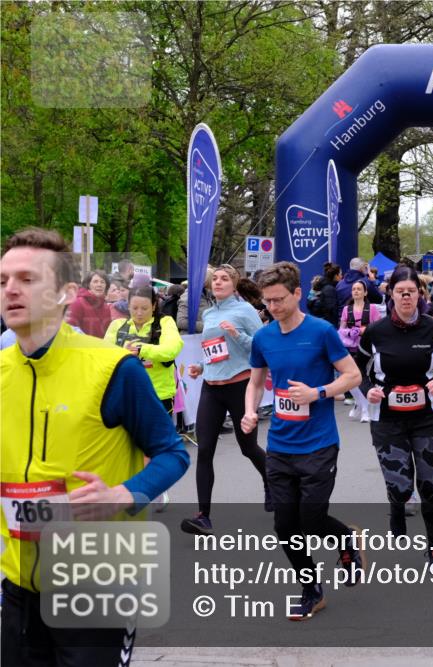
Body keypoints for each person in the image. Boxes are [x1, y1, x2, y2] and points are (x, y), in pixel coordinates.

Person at [1, 228, 189, 666]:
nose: (11, 288)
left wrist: (124, 495)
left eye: (27, 279)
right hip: (16, 583)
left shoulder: (112, 368)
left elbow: (173, 452)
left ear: (66, 292)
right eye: (4, 278)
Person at [241, 261, 364, 621]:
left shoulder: (322, 331)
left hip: (319, 443)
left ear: (297, 294)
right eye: (267, 302)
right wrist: (250, 411)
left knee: (312, 521)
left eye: (279, 299)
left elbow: (353, 376)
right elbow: (255, 381)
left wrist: (318, 392)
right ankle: (311, 590)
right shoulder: (263, 337)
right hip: (279, 445)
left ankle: (345, 541)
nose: (273, 307)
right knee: (285, 527)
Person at [358, 266, 433, 567]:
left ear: (419, 294)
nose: (406, 296)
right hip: (388, 418)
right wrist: (368, 390)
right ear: (390, 294)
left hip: (427, 415)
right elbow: (356, 371)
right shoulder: (375, 332)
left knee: (429, 485)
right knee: (401, 488)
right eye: (400, 291)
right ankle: (396, 504)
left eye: (411, 291)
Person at [180, 265, 270, 535]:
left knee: (248, 448)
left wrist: (236, 334)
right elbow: (214, 351)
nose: (218, 282)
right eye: (215, 278)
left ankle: (273, 482)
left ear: (234, 284)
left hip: (240, 386)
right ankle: (203, 516)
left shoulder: (244, 311)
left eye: (225, 279)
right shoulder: (209, 314)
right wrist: (200, 366)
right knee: (205, 449)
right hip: (211, 387)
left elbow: (259, 347)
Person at [105, 284, 184, 415]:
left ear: (154, 306)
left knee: (158, 436)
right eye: (135, 308)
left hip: (158, 396)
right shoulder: (117, 325)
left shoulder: (165, 322)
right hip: (126, 396)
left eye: (144, 308)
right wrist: (122, 353)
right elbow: (105, 356)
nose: (139, 313)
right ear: (128, 306)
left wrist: (141, 349)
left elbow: (171, 350)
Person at [339, 280, 382, 422]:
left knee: (360, 377)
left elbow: (378, 327)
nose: (356, 291)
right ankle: (361, 404)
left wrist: (365, 330)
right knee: (349, 378)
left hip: (366, 348)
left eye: (359, 289)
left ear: (365, 292)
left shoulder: (372, 309)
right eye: (354, 289)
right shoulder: (347, 309)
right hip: (350, 346)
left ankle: (364, 409)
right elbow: (341, 329)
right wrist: (350, 332)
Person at [66, 269, 113, 337]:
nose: (99, 285)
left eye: (102, 282)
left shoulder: (106, 307)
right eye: (95, 282)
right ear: (88, 285)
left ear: (106, 286)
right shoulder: (78, 303)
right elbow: (70, 329)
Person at [177, 266, 216, 334]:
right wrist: (207, 326)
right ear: (208, 281)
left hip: (204, 337)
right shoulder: (188, 297)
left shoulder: (207, 295)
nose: (217, 282)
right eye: (214, 279)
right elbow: (181, 322)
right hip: (192, 340)